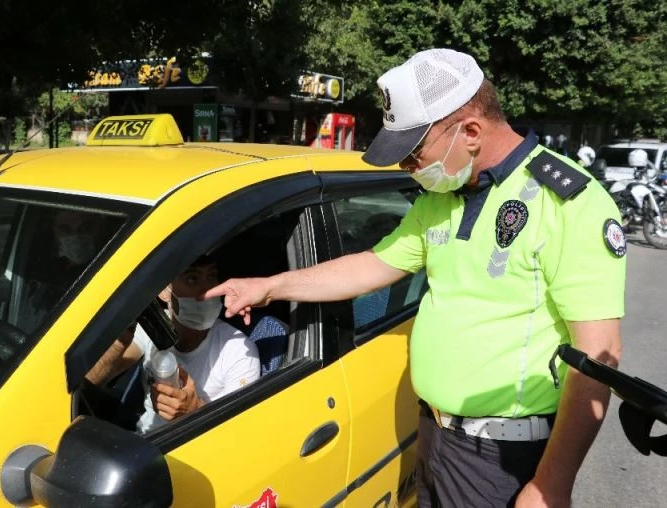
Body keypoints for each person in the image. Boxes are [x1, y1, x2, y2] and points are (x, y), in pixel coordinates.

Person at [204, 48, 625, 507]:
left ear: (469, 131)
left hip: (504, 456)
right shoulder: (441, 200)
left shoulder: (568, 203)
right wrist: (269, 286)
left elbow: (596, 359)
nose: (407, 167)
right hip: (435, 435)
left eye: (413, 152)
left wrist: (550, 484)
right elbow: (372, 265)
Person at [86, 254, 260, 434]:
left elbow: (238, 436)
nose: (208, 291)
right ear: (164, 291)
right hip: (142, 444)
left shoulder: (239, 351)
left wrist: (195, 410)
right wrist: (120, 340)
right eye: (192, 279)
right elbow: (93, 380)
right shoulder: (154, 328)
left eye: (211, 277)